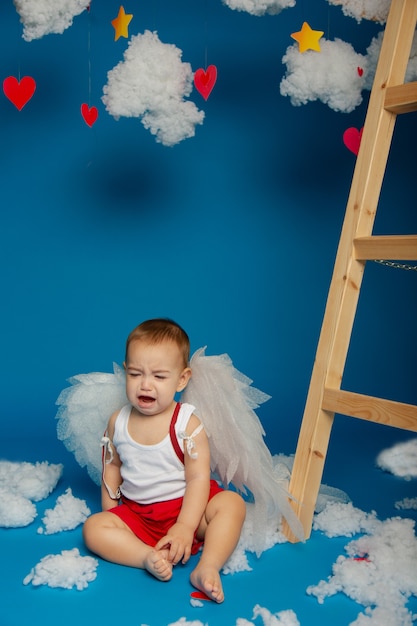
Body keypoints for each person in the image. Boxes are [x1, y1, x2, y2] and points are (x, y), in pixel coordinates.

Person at [82, 318, 246, 603]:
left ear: (181, 379)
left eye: (159, 377)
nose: (146, 385)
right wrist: (111, 511)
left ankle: (208, 565)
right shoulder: (117, 422)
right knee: (93, 529)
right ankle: (145, 555)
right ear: (125, 372)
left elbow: (197, 479)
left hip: (189, 510)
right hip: (139, 516)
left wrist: (185, 526)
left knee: (231, 504)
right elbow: (112, 467)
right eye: (135, 374)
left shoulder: (187, 424)